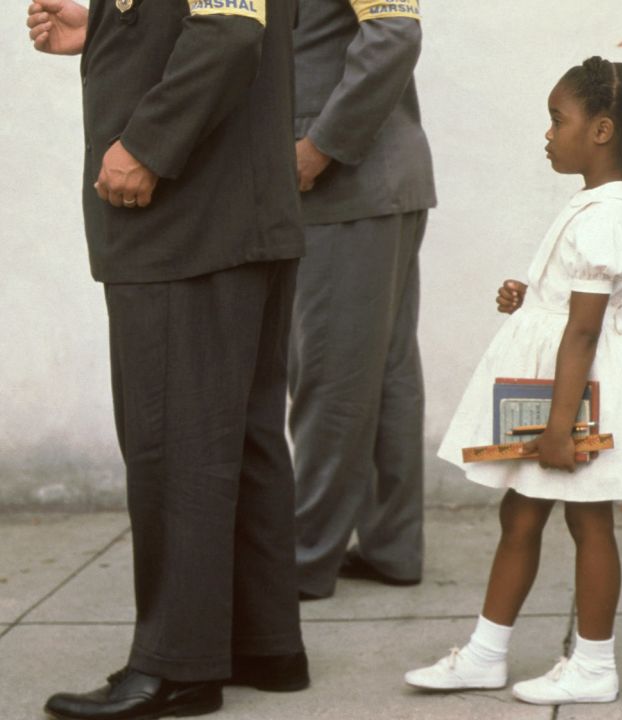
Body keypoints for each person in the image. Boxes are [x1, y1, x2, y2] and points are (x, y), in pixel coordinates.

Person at [26, 0, 310, 717]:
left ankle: (177, 665)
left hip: (188, 223)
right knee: (241, 439)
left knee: (175, 444)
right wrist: (109, 26)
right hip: (231, 216)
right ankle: (261, 641)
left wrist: (149, 144)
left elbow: (229, 29)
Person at [402, 56, 622, 706]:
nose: (548, 132)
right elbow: (572, 305)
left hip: (577, 391)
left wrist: (560, 426)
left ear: (601, 130)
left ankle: (593, 664)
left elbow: (585, 331)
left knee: (590, 523)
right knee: (520, 511)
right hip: (556, 379)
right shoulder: (596, 202)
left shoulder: (606, 215)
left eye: (558, 119)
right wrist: (531, 294)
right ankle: (485, 653)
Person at [290, 0, 436, 601]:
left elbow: (395, 34)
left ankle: (303, 559)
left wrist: (321, 145)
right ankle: (391, 547)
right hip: (376, 183)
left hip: (346, 184)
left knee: (330, 372)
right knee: (384, 371)